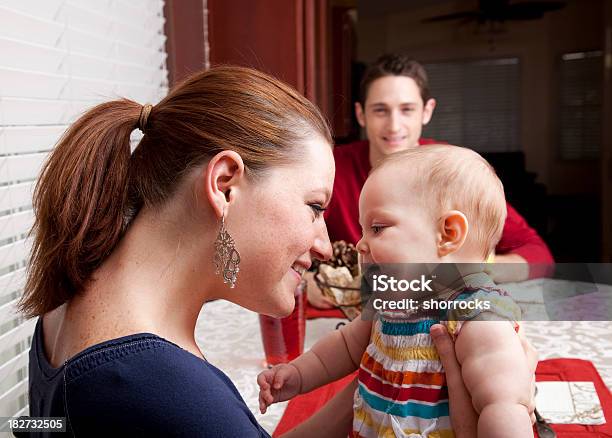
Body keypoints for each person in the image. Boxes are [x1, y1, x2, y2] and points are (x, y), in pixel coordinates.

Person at [258, 145, 534, 437]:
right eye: (363, 229)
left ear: (448, 234)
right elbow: (345, 346)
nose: (360, 244)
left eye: (377, 228)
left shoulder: (476, 313)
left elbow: (504, 406)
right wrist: (298, 375)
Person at [308, 54, 553, 309]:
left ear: (427, 111)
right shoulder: (330, 167)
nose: (394, 126)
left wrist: (475, 268)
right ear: (361, 114)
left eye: (407, 109)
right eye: (380, 110)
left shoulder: (453, 171)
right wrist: (307, 282)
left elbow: (539, 255)